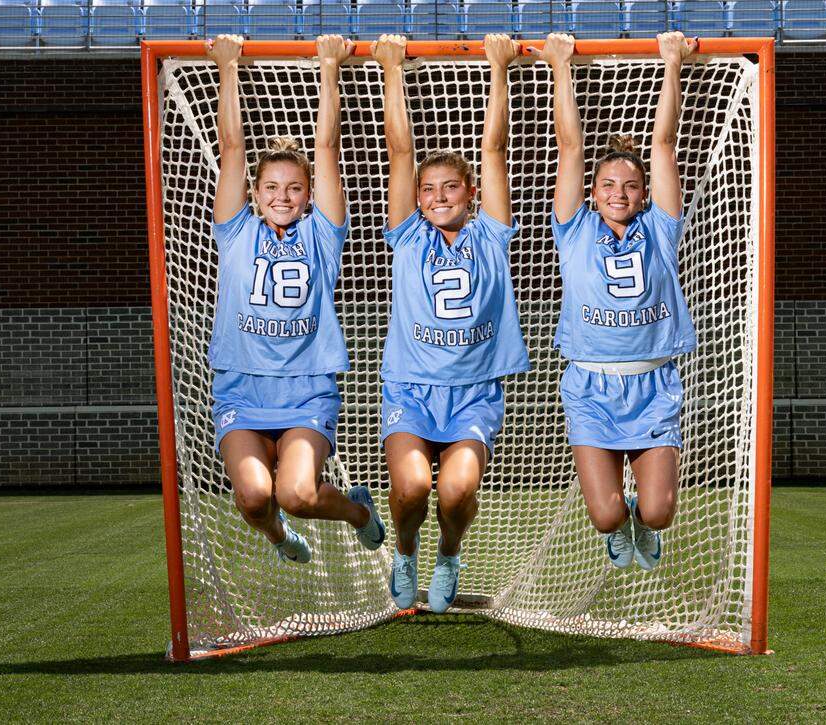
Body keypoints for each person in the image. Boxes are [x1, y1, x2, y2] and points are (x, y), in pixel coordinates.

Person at [205, 33, 384, 564]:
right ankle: (280, 538)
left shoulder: (321, 238)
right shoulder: (235, 233)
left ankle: (358, 512)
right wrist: (229, 68)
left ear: (308, 195)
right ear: (255, 195)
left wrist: (329, 68)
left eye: (294, 188)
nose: (282, 196)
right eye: (271, 188)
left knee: (298, 494)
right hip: (242, 388)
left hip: (306, 391)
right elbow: (233, 148)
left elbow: (325, 149)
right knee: (257, 497)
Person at [370, 33, 530, 612]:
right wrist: (393, 72)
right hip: (412, 389)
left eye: (451, 187)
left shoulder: (491, 234)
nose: (439, 195)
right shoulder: (408, 235)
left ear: (472, 193)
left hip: (473, 394)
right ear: (417, 198)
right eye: (429, 190)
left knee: (459, 489)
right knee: (412, 486)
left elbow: (494, 150)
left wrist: (497, 69)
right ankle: (406, 550)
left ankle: (449, 553)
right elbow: (400, 153)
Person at [532, 32, 699, 571]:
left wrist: (672, 62)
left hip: (652, 384)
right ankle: (615, 518)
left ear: (645, 194)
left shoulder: (660, 229)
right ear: (593, 191)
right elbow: (569, 148)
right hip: (591, 386)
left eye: (630, 186)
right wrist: (561, 66)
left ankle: (643, 518)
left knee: (657, 513)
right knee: (606, 518)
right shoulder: (573, 230)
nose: (619, 193)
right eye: (608, 184)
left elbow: (664, 144)